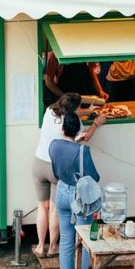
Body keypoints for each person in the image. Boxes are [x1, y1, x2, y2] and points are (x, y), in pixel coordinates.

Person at [33, 93, 106, 258]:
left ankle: (39, 246)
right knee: (54, 209)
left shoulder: (49, 111)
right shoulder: (74, 123)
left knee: (41, 207)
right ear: (74, 109)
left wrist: (87, 112)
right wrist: (95, 123)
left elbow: (66, 112)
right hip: (55, 166)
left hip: (38, 164)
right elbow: (84, 137)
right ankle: (52, 247)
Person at [50, 112, 100, 269]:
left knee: (66, 240)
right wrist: (78, 146)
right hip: (79, 197)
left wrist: (75, 143)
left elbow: (55, 171)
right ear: (79, 130)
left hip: (61, 191)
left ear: (63, 128)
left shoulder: (54, 146)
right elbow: (94, 177)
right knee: (83, 242)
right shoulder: (83, 151)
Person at [43, 51, 108, 107]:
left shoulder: (85, 51)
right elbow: (48, 82)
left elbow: (92, 72)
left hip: (86, 96)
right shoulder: (55, 55)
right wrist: (64, 96)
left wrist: (100, 90)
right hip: (67, 100)